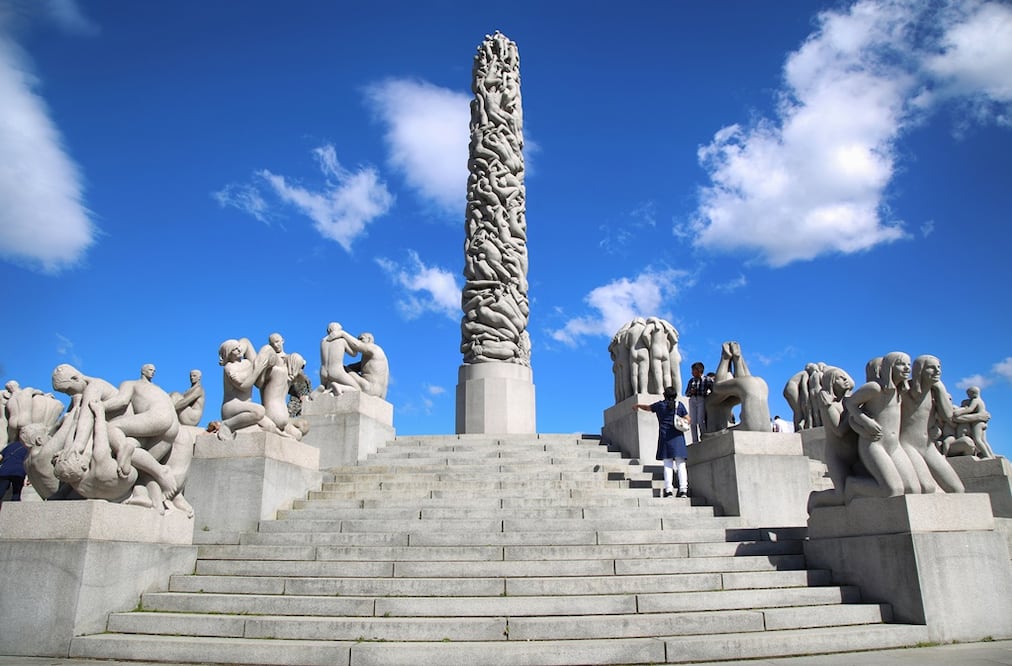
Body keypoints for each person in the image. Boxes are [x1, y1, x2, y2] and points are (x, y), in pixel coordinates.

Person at [634, 386, 690, 498]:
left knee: (668, 464)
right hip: (678, 437)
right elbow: (688, 418)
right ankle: (683, 490)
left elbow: (648, 408)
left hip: (665, 437)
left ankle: (669, 490)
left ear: (664, 395)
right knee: (681, 464)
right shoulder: (679, 405)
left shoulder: (660, 405)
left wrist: (638, 406)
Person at [685, 362, 711, 444]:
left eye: (693, 370)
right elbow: (686, 393)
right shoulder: (691, 381)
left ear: (698, 370)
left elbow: (713, 388)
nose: (692, 372)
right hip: (693, 399)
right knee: (692, 422)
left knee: (700, 420)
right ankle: (695, 440)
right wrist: (691, 392)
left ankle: (704, 436)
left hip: (701, 399)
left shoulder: (706, 379)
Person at [0, 437, 28, 504]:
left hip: (4, 471)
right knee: (16, 493)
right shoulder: (28, 447)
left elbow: (0, 457)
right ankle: (14, 510)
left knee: (0, 492)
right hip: (18, 472)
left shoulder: (11, 445)